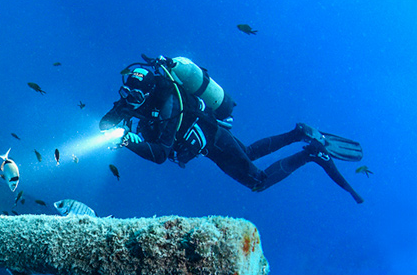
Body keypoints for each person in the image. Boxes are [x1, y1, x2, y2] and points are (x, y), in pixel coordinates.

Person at [99, 56, 364, 203]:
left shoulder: (170, 104)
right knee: (247, 152)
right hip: (213, 132)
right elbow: (105, 122)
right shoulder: (136, 98)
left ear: (149, 92)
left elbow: (160, 155)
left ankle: (311, 154)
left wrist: (128, 141)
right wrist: (114, 121)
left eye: (135, 96)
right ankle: (298, 133)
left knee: (258, 182)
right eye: (127, 94)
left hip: (213, 138)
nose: (130, 100)